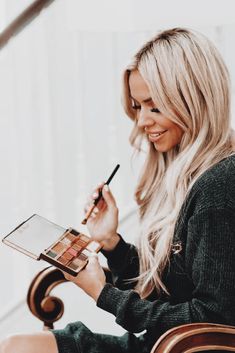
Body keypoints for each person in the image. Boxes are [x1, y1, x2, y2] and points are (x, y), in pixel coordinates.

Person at [1, 27, 235, 353]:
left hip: (174, 347)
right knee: (15, 345)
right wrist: (112, 243)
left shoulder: (219, 186)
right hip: (156, 345)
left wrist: (104, 294)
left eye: (154, 106)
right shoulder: (185, 175)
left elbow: (213, 319)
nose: (141, 122)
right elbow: (168, 292)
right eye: (138, 107)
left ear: (195, 99)